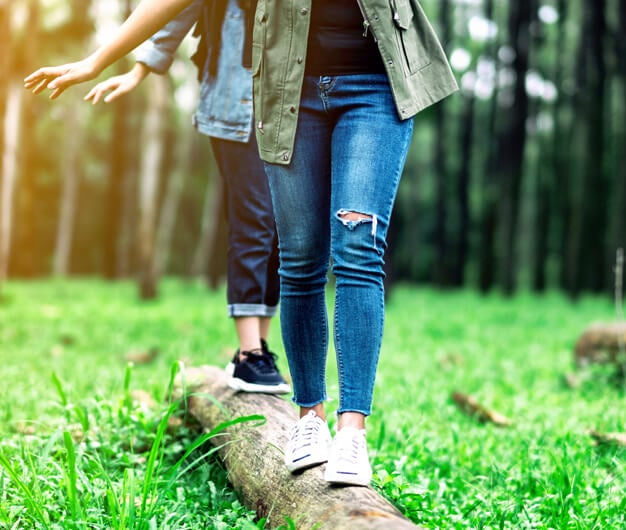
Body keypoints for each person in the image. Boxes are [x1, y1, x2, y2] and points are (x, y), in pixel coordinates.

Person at [25, 0, 457, 487]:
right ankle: (309, 418)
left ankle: (352, 430)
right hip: (287, 91)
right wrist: (97, 59)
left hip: (376, 87)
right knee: (299, 258)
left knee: (357, 250)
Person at [28, 1, 290, 394]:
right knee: (254, 220)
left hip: (291, 110)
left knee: (279, 230)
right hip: (234, 106)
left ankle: (257, 349)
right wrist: (138, 69)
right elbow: (176, 10)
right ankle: (248, 352)